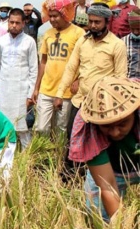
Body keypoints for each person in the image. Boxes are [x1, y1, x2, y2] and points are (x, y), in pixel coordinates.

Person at [53, 2, 128, 177]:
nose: (93, 25)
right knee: (73, 139)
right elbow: (71, 68)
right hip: (80, 101)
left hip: (103, 105)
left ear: (107, 21)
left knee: (101, 143)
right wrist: (59, 94)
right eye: (91, 21)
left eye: (97, 22)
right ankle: (69, 177)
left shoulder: (117, 45)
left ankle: (97, 177)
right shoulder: (83, 41)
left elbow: (120, 77)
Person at [69, 77, 140, 222]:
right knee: (96, 216)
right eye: (107, 126)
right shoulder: (89, 129)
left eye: (122, 124)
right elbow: (107, 186)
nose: (115, 132)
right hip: (112, 170)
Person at [32, 0, 85, 135]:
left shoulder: (78, 33)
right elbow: (43, 62)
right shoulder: (48, 34)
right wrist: (37, 88)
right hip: (46, 88)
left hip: (66, 91)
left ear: (65, 14)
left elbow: (84, 61)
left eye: (56, 16)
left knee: (60, 129)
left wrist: (77, 80)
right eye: (50, 16)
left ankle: (58, 155)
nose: (52, 19)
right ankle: (43, 153)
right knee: (41, 128)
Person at [0, 8, 38, 149]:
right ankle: (5, 160)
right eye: (11, 22)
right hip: (4, 92)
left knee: (23, 130)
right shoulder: (2, 41)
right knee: (4, 127)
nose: (14, 25)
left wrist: (30, 94)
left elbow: (34, 69)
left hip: (22, 93)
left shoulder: (29, 42)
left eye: (17, 23)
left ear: (23, 24)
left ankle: (26, 163)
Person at [123, 8, 140, 80]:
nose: (135, 32)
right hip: (127, 84)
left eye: (139, 29)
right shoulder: (123, 42)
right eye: (132, 29)